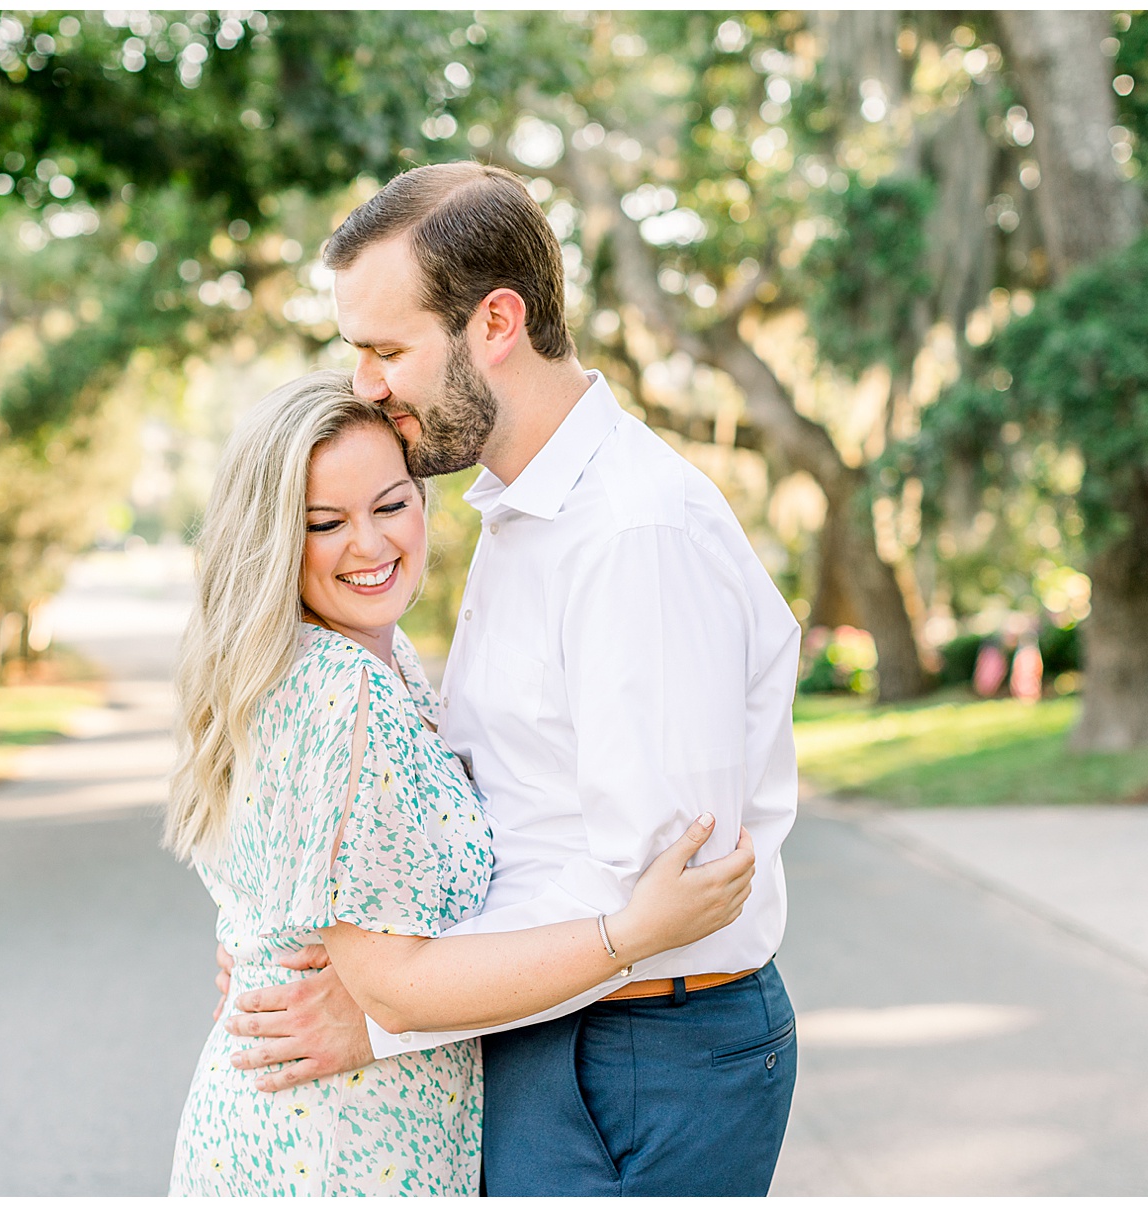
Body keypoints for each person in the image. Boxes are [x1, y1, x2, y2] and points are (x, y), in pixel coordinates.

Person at [218, 162, 804, 1196]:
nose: (365, 384)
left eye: (386, 349)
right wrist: (297, 947)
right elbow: (498, 812)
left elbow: (661, 892)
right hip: (544, 1027)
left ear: (496, 321)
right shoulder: (519, 509)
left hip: (637, 1052)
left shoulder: (632, 535)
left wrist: (385, 1008)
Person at [165, 370, 759, 1196]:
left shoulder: (376, 655)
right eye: (325, 522)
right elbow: (396, 987)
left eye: (392, 503)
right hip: (337, 1148)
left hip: (345, 1124)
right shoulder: (343, 688)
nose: (370, 545)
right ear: (271, 539)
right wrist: (633, 929)